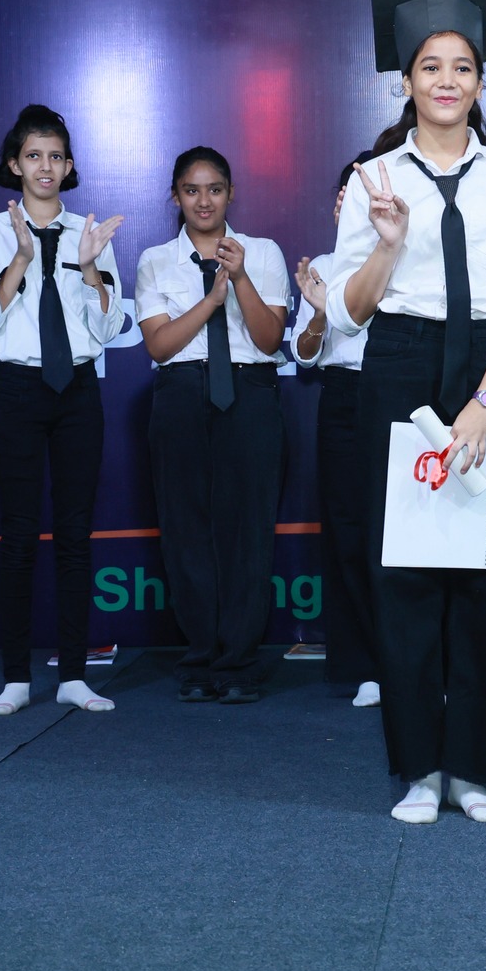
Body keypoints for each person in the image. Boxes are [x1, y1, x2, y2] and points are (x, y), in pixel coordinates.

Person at [322, 0, 486, 824]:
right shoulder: (374, 177)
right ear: (405, 83)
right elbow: (348, 310)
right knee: (407, 573)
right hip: (401, 364)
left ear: (482, 82)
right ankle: (420, 767)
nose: (446, 80)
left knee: (485, 572)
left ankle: (472, 771)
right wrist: (388, 245)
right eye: (430, 67)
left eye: (462, 67)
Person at [0, 104, 124, 717]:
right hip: (17, 390)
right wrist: (22, 258)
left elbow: (107, 329)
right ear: (15, 164)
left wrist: (90, 266)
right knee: (18, 534)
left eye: (56, 156)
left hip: (78, 391)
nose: (45, 167)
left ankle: (75, 676)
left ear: (69, 165)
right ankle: (14, 678)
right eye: (34, 155)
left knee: (76, 535)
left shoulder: (90, 231)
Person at [135, 147, 288, 706]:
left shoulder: (262, 252)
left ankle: (239, 664)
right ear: (176, 196)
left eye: (215, 189)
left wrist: (239, 277)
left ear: (230, 194)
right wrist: (211, 300)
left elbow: (269, 340)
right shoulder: (155, 260)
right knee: (186, 531)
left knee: (248, 532)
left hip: (249, 393)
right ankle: (200, 659)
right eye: (192, 190)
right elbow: (159, 345)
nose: (204, 201)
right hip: (180, 394)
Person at [293, 156, 381, 709]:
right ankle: (362, 666)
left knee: (400, 534)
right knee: (347, 531)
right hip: (343, 399)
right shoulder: (324, 266)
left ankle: (410, 661)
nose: (350, 203)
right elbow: (303, 355)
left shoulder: (407, 259)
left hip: (402, 398)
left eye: (362, 195)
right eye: (344, 195)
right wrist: (321, 311)